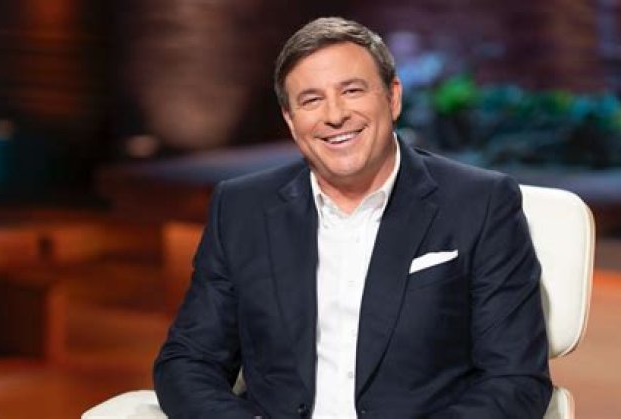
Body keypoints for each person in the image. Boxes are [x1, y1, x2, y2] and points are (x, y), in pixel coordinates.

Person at [154, 17, 552, 419]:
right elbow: (188, 361)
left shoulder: (480, 203)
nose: (335, 115)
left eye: (352, 91)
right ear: (291, 120)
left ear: (393, 98)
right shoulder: (242, 208)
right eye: (311, 100)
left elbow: (515, 380)